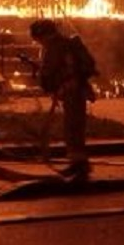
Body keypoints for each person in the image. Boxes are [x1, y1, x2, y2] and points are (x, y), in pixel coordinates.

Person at [29, 19, 97, 181]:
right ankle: (78, 164)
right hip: (74, 90)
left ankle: (80, 166)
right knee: (74, 126)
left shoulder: (55, 47)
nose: (38, 43)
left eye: (37, 39)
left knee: (73, 127)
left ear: (43, 35)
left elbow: (48, 72)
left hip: (72, 91)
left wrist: (46, 82)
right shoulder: (65, 44)